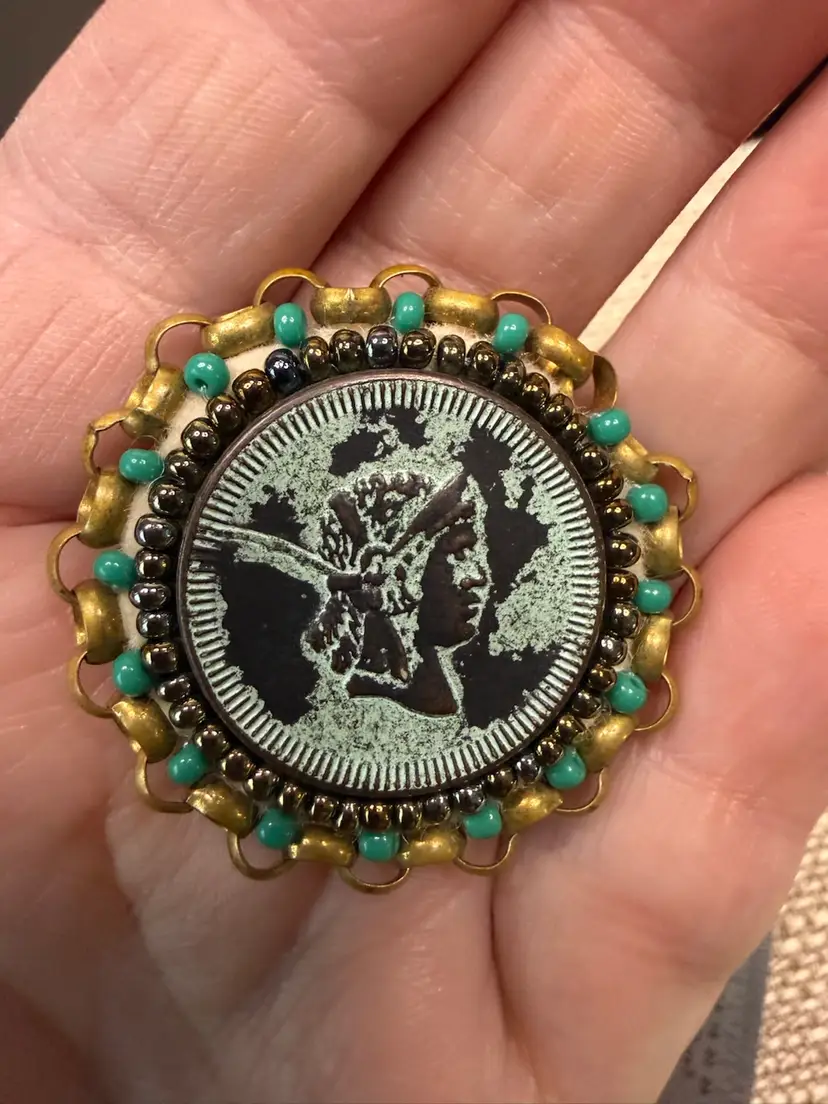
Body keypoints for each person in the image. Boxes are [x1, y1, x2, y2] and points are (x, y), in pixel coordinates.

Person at [1, 1, 827, 1101]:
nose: (484, 576)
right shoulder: (311, 735)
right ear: (389, 575)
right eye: (458, 555)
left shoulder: (477, 723)